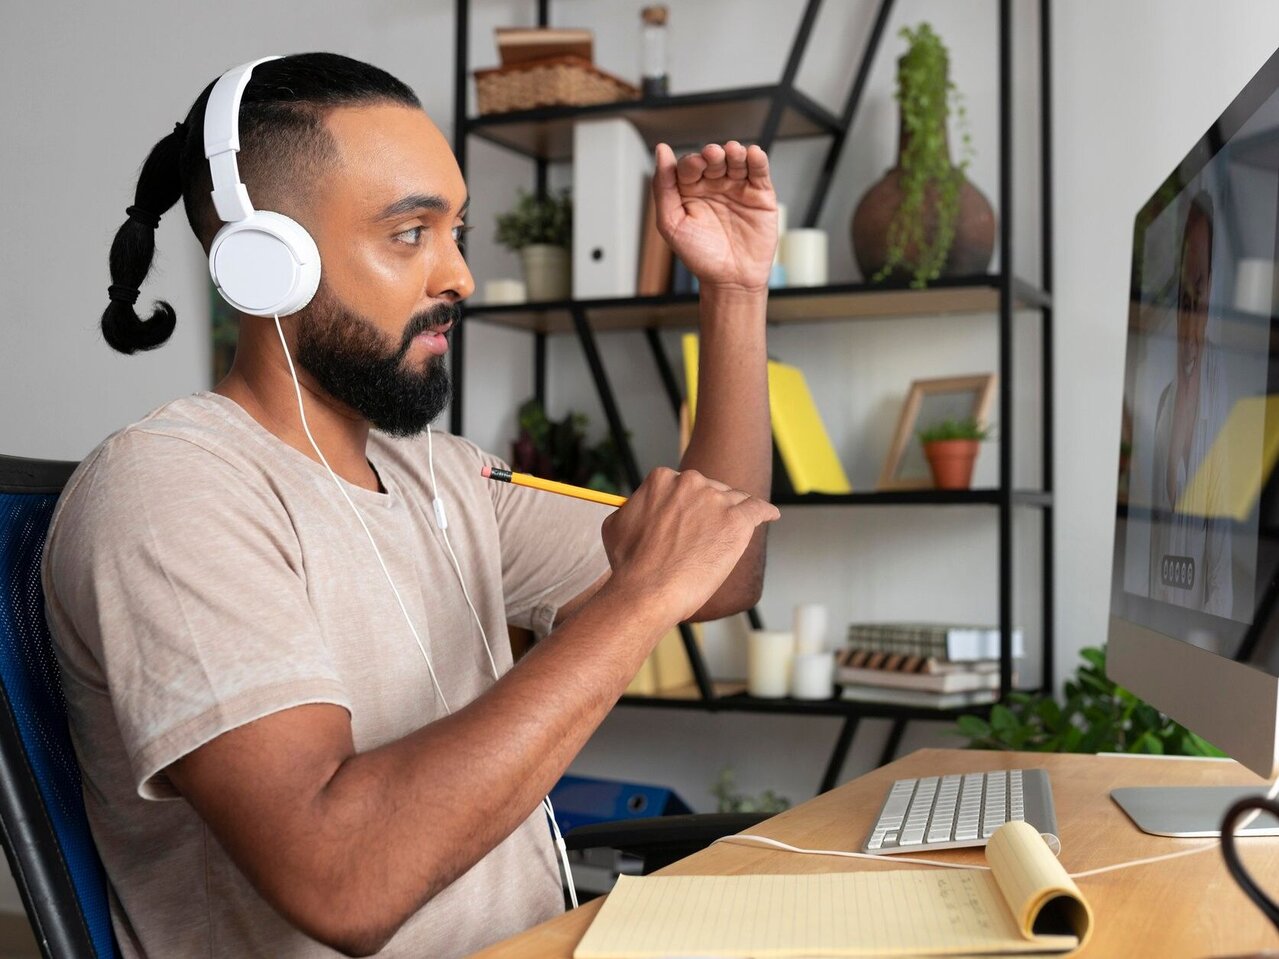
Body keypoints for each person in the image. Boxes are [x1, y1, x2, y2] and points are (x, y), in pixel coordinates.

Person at [42, 53, 780, 958]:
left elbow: (723, 566)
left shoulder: (442, 477)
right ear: (265, 262)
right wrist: (636, 600)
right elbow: (341, 878)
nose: (459, 275)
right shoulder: (170, 489)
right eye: (409, 233)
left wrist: (735, 292)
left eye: (456, 230)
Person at [1148, 189, 1232, 618]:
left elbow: (1222, 574)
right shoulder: (1161, 404)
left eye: (1198, 289)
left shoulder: (1224, 402)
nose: (1190, 311)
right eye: (1182, 296)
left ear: (1213, 288)